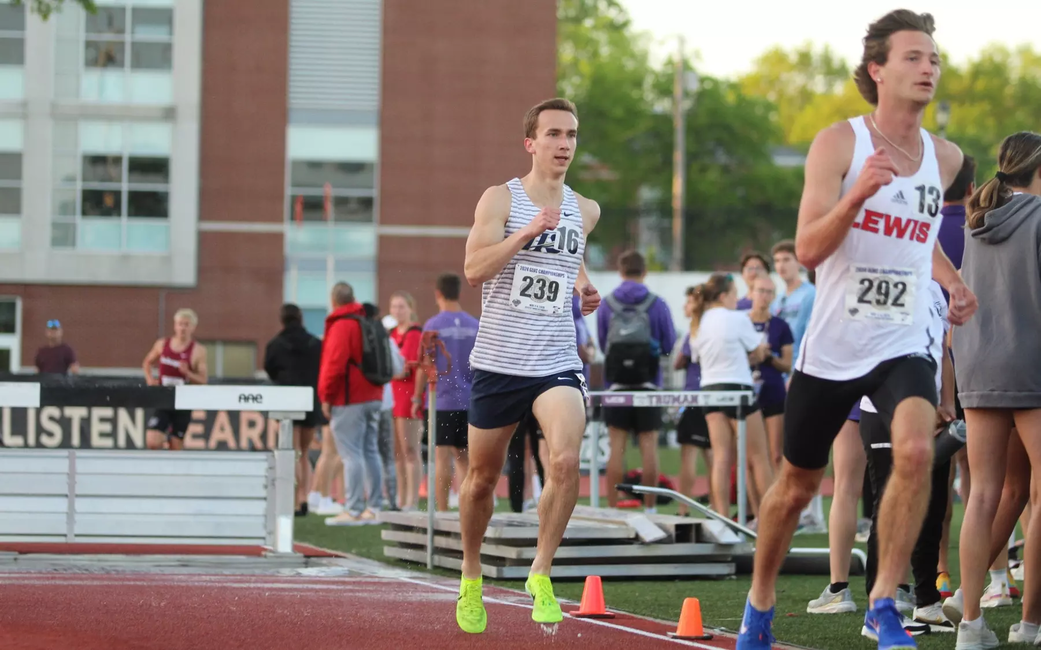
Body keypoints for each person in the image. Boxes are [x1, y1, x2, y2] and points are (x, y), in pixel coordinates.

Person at [735, 11, 976, 650]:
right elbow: (809, 251)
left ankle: (883, 603)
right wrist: (854, 197)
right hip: (835, 346)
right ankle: (759, 605)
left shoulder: (945, 159)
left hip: (900, 343)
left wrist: (952, 281)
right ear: (878, 69)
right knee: (795, 489)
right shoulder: (839, 144)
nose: (930, 68)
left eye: (934, 58)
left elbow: (918, 239)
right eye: (915, 57)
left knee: (919, 452)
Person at [456, 97, 601, 633]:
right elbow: (474, 268)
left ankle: (540, 572)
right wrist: (524, 234)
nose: (565, 144)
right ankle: (471, 576)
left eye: (572, 135)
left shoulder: (586, 210)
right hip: (498, 360)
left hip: (556, 358)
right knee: (480, 481)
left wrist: (584, 287)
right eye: (555, 134)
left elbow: (571, 258)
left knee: (564, 462)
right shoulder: (501, 198)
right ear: (531, 143)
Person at [951, 131, 1041, 647]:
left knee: (981, 495)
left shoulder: (977, 221)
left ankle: (971, 624)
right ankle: (1029, 625)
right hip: (1031, 368)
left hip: (979, 368)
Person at [860, 279, 955, 638]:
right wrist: (906, 413)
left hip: (930, 414)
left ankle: (927, 601)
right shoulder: (881, 283)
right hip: (883, 412)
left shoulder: (933, 288)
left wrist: (946, 403)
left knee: (932, 508)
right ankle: (875, 610)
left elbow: (943, 352)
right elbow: (872, 356)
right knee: (888, 508)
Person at [688, 273, 774, 521]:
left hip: (710, 390)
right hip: (737, 388)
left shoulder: (699, 322)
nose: (738, 299)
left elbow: (698, 357)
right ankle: (769, 520)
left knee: (722, 458)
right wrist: (760, 351)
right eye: (735, 294)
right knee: (758, 457)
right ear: (724, 296)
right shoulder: (737, 319)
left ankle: (724, 520)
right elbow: (757, 351)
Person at [596, 250, 676, 512]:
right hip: (649, 385)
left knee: (616, 449)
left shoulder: (607, 304)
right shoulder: (658, 303)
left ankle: (613, 507)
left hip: (616, 386)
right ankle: (651, 509)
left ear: (620, 272)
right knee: (649, 447)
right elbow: (669, 344)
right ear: (644, 272)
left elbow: (602, 343)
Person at [318, 283, 385, 526]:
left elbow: (333, 365)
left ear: (333, 301)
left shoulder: (341, 325)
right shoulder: (365, 321)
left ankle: (354, 508)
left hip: (349, 398)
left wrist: (326, 396)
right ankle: (375, 506)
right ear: (353, 299)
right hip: (374, 394)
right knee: (370, 451)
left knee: (351, 455)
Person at [412, 273, 479, 511]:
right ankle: (466, 507)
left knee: (441, 457)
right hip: (470, 400)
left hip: (442, 400)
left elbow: (424, 365)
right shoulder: (474, 324)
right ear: (460, 293)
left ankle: (441, 511)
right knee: (464, 458)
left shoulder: (433, 325)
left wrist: (414, 397)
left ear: (438, 294)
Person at [264, 304, 325, 516]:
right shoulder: (315, 343)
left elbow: (270, 371)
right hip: (310, 399)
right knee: (304, 452)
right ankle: (303, 498)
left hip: (286, 400)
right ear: (301, 318)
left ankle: (293, 501)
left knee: (291, 452)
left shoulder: (275, 344)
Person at [673, 285, 713, 516]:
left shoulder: (696, 329)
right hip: (712, 395)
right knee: (712, 456)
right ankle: (718, 508)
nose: (684, 307)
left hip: (695, 396)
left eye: (688, 302)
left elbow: (679, 362)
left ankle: (683, 508)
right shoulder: (716, 327)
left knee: (689, 456)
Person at [142, 309, 208, 451]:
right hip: (164, 398)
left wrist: (188, 373)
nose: (182, 328)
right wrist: (149, 379)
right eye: (180, 324)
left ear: (192, 327)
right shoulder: (162, 344)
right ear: (174, 325)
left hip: (183, 401)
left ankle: (170, 468)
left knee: (175, 447)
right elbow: (147, 362)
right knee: (152, 441)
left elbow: (203, 380)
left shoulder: (198, 350)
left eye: (186, 324)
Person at [746, 273, 793, 469]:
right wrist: (754, 356)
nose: (764, 296)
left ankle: (775, 498)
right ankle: (751, 499)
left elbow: (787, 364)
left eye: (769, 292)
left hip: (773, 391)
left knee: (775, 454)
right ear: (751, 293)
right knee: (750, 454)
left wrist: (770, 357)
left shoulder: (780, 326)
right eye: (760, 291)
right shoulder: (741, 321)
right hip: (747, 390)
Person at [389, 291, 423, 511]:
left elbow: (403, 369)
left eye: (401, 306)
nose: (397, 311)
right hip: (392, 396)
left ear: (410, 308)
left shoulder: (413, 334)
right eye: (394, 307)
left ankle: (412, 498)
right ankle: (401, 498)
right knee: (397, 452)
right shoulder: (391, 334)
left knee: (410, 449)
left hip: (407, 396)